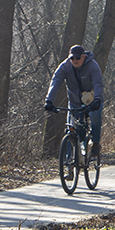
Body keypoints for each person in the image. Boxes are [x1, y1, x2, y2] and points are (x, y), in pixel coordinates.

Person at [44, 45, 104, 177]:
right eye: (72, 58)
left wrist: (98, 100)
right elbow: (55, 82)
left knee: (95, 116)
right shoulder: (65, 67)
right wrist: (49, 101)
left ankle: (95, 144)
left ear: (83, 56)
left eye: (78, 58)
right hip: (75, 102)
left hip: (92, 100)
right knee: (70, 130)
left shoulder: (92, 66)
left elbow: (98, 83)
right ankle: (69, 168)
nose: (75, 60)